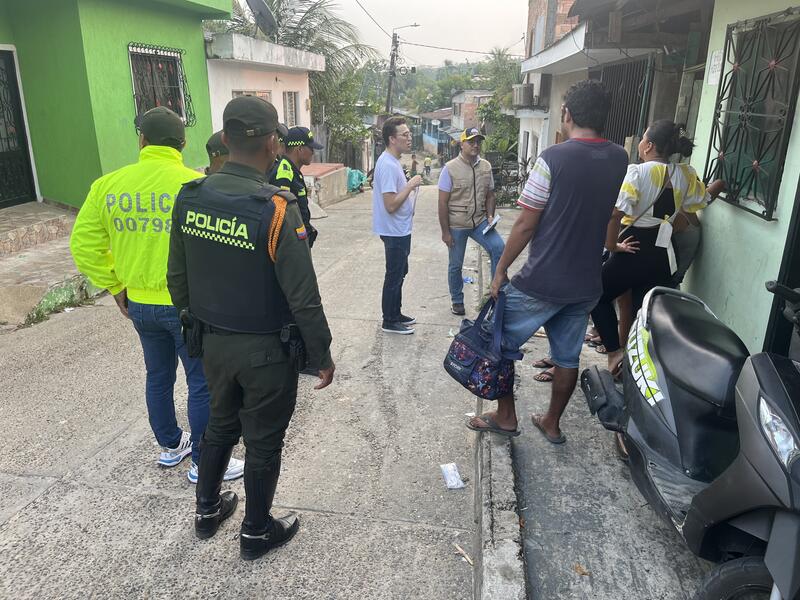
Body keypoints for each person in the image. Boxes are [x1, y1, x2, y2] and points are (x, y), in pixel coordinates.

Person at [167, 96, 335, 560]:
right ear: (273, 144)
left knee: (219, 426)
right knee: (263, 442)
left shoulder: (190, 196)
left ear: (224, 139)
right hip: (266, 352)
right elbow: (303, 296)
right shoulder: (277, 209)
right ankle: (256, 532)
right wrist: (321, 354)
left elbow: (177, 281)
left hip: (212, 344)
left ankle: (206, 511)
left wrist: (199, 327)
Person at [70, 107, 244, 483]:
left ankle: (170, 446)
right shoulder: (196, 185)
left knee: (158, 377)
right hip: (189, 305)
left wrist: (115, 286)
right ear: (182, 144)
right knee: (201, 382)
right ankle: (203, 461)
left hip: (140, 304)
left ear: (142, 141)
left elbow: (83, 244)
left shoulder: (108, 186)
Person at [466, 80, 628, 444]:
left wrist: (502, 268)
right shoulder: (620, 158)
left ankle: (506, 417)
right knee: (567, 357)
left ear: (567, 114)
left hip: (544, 279)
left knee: (499, 341)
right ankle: (552, 423)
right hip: (587, 282)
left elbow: (525, 222)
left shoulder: (553, 158)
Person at [590, 120, 725, 376]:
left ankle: (615, 354)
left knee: (597, 296)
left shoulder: (638, 172)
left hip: (632, 246)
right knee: (647, 313)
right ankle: (644, 367)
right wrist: (721, 184)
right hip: (663, 252)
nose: (640, 143)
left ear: (649, 145)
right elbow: (702, 199)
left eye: (643, 138)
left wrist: (612, 245)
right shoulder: (686, 173)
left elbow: (615, 213)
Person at [438, 127, 505, 316]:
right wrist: (445, 232)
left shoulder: (486, 166)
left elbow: (490, 195)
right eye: (471, 142)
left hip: (480, 221)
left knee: (499, 247)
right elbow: (442, 203)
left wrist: (491, 216)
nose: (476, 145)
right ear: (462, 144)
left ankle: (496, 296)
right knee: (455, 264)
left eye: (478, 142)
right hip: (457, 224)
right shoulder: (450, 169)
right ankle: (457, 300)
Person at [372, 116, 422, 334]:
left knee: (401, 271)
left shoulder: (392, 162)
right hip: (394, 231)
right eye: (405, 134)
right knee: (394, 275)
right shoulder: (388, 165)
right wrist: (410, 185)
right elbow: (390, 204)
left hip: (400, 229)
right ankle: (389, 320)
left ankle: (396, 312)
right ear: (392, 139)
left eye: (409, 133)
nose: (409, 138)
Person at [269, 126, 322, 248]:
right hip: (291, 244)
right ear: (300, 149)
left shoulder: (293, 171)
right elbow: (281, 215)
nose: (313, 152)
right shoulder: (284, 174)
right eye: (311, 148)